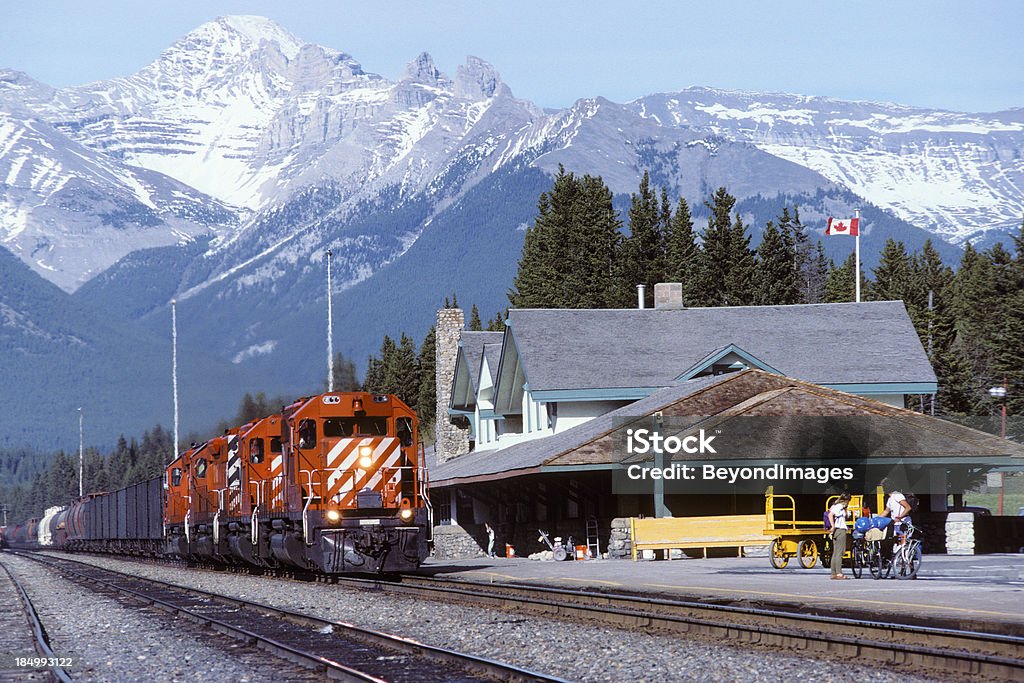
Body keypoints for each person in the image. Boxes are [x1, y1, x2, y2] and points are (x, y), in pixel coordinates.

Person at [828, 493, 852, 580]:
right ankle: (839, 573)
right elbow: (830, 515)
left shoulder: (834, 505)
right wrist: (833, 526)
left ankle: (833, 573)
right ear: (847, 500)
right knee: (840, 552)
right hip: (840, 529)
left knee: (835, 552)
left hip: (835, 531)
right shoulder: (840, 506)